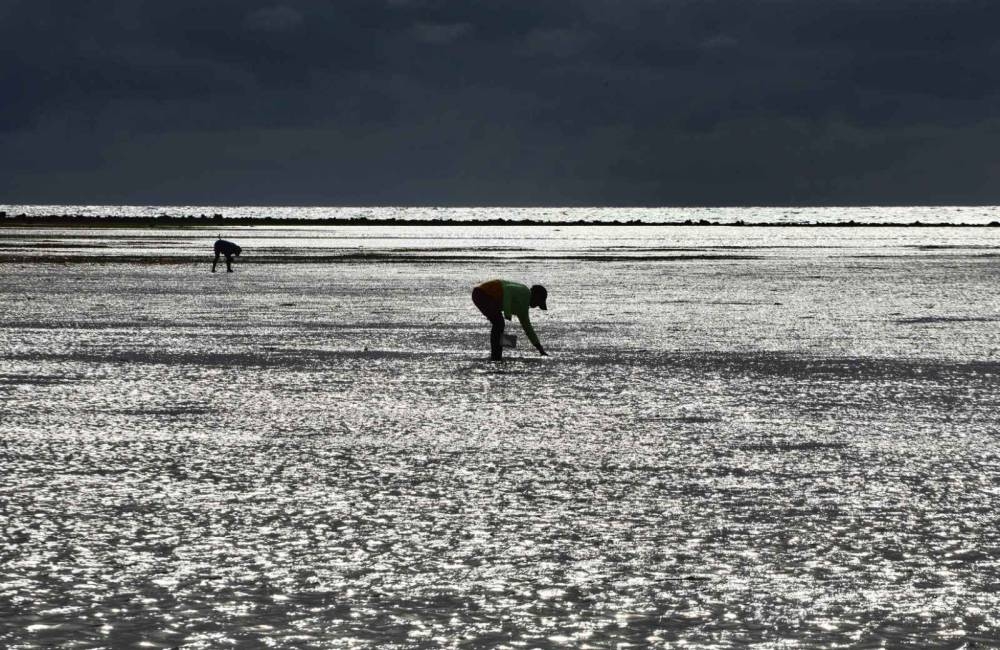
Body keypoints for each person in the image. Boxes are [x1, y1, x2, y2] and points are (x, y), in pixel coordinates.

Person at [472, 279, 548, 361]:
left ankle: (497, 355)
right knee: (499, 324)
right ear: (536, 295)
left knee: (499, 325)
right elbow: (507, 289)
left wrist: (540, 349)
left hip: (484, 296)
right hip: (483, 293)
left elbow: (528, 328)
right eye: (539, 302)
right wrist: (507, 312)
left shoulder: (523, 309)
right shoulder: (525, 292)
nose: (537, 305)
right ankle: (496, 356)